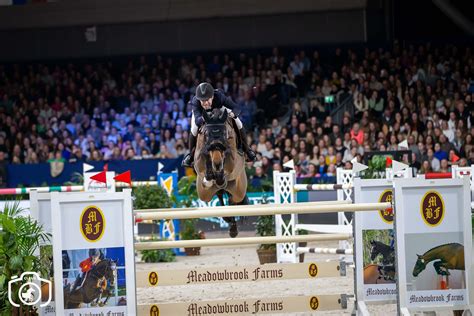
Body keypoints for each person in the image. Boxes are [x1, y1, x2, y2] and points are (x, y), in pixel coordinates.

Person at [182, 82, 257, 167]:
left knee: (238, 122)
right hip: (202, 114)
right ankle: (190, 156)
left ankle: (247, 150)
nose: (205, 103)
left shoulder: (219, 96)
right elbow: (197, 121)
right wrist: (205, 117)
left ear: (212, 96)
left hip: (219, 109)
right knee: (194, 129)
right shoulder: (195, 101)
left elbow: (236, 107)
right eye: (203, 101)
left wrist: (233, 114)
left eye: (207, 100)